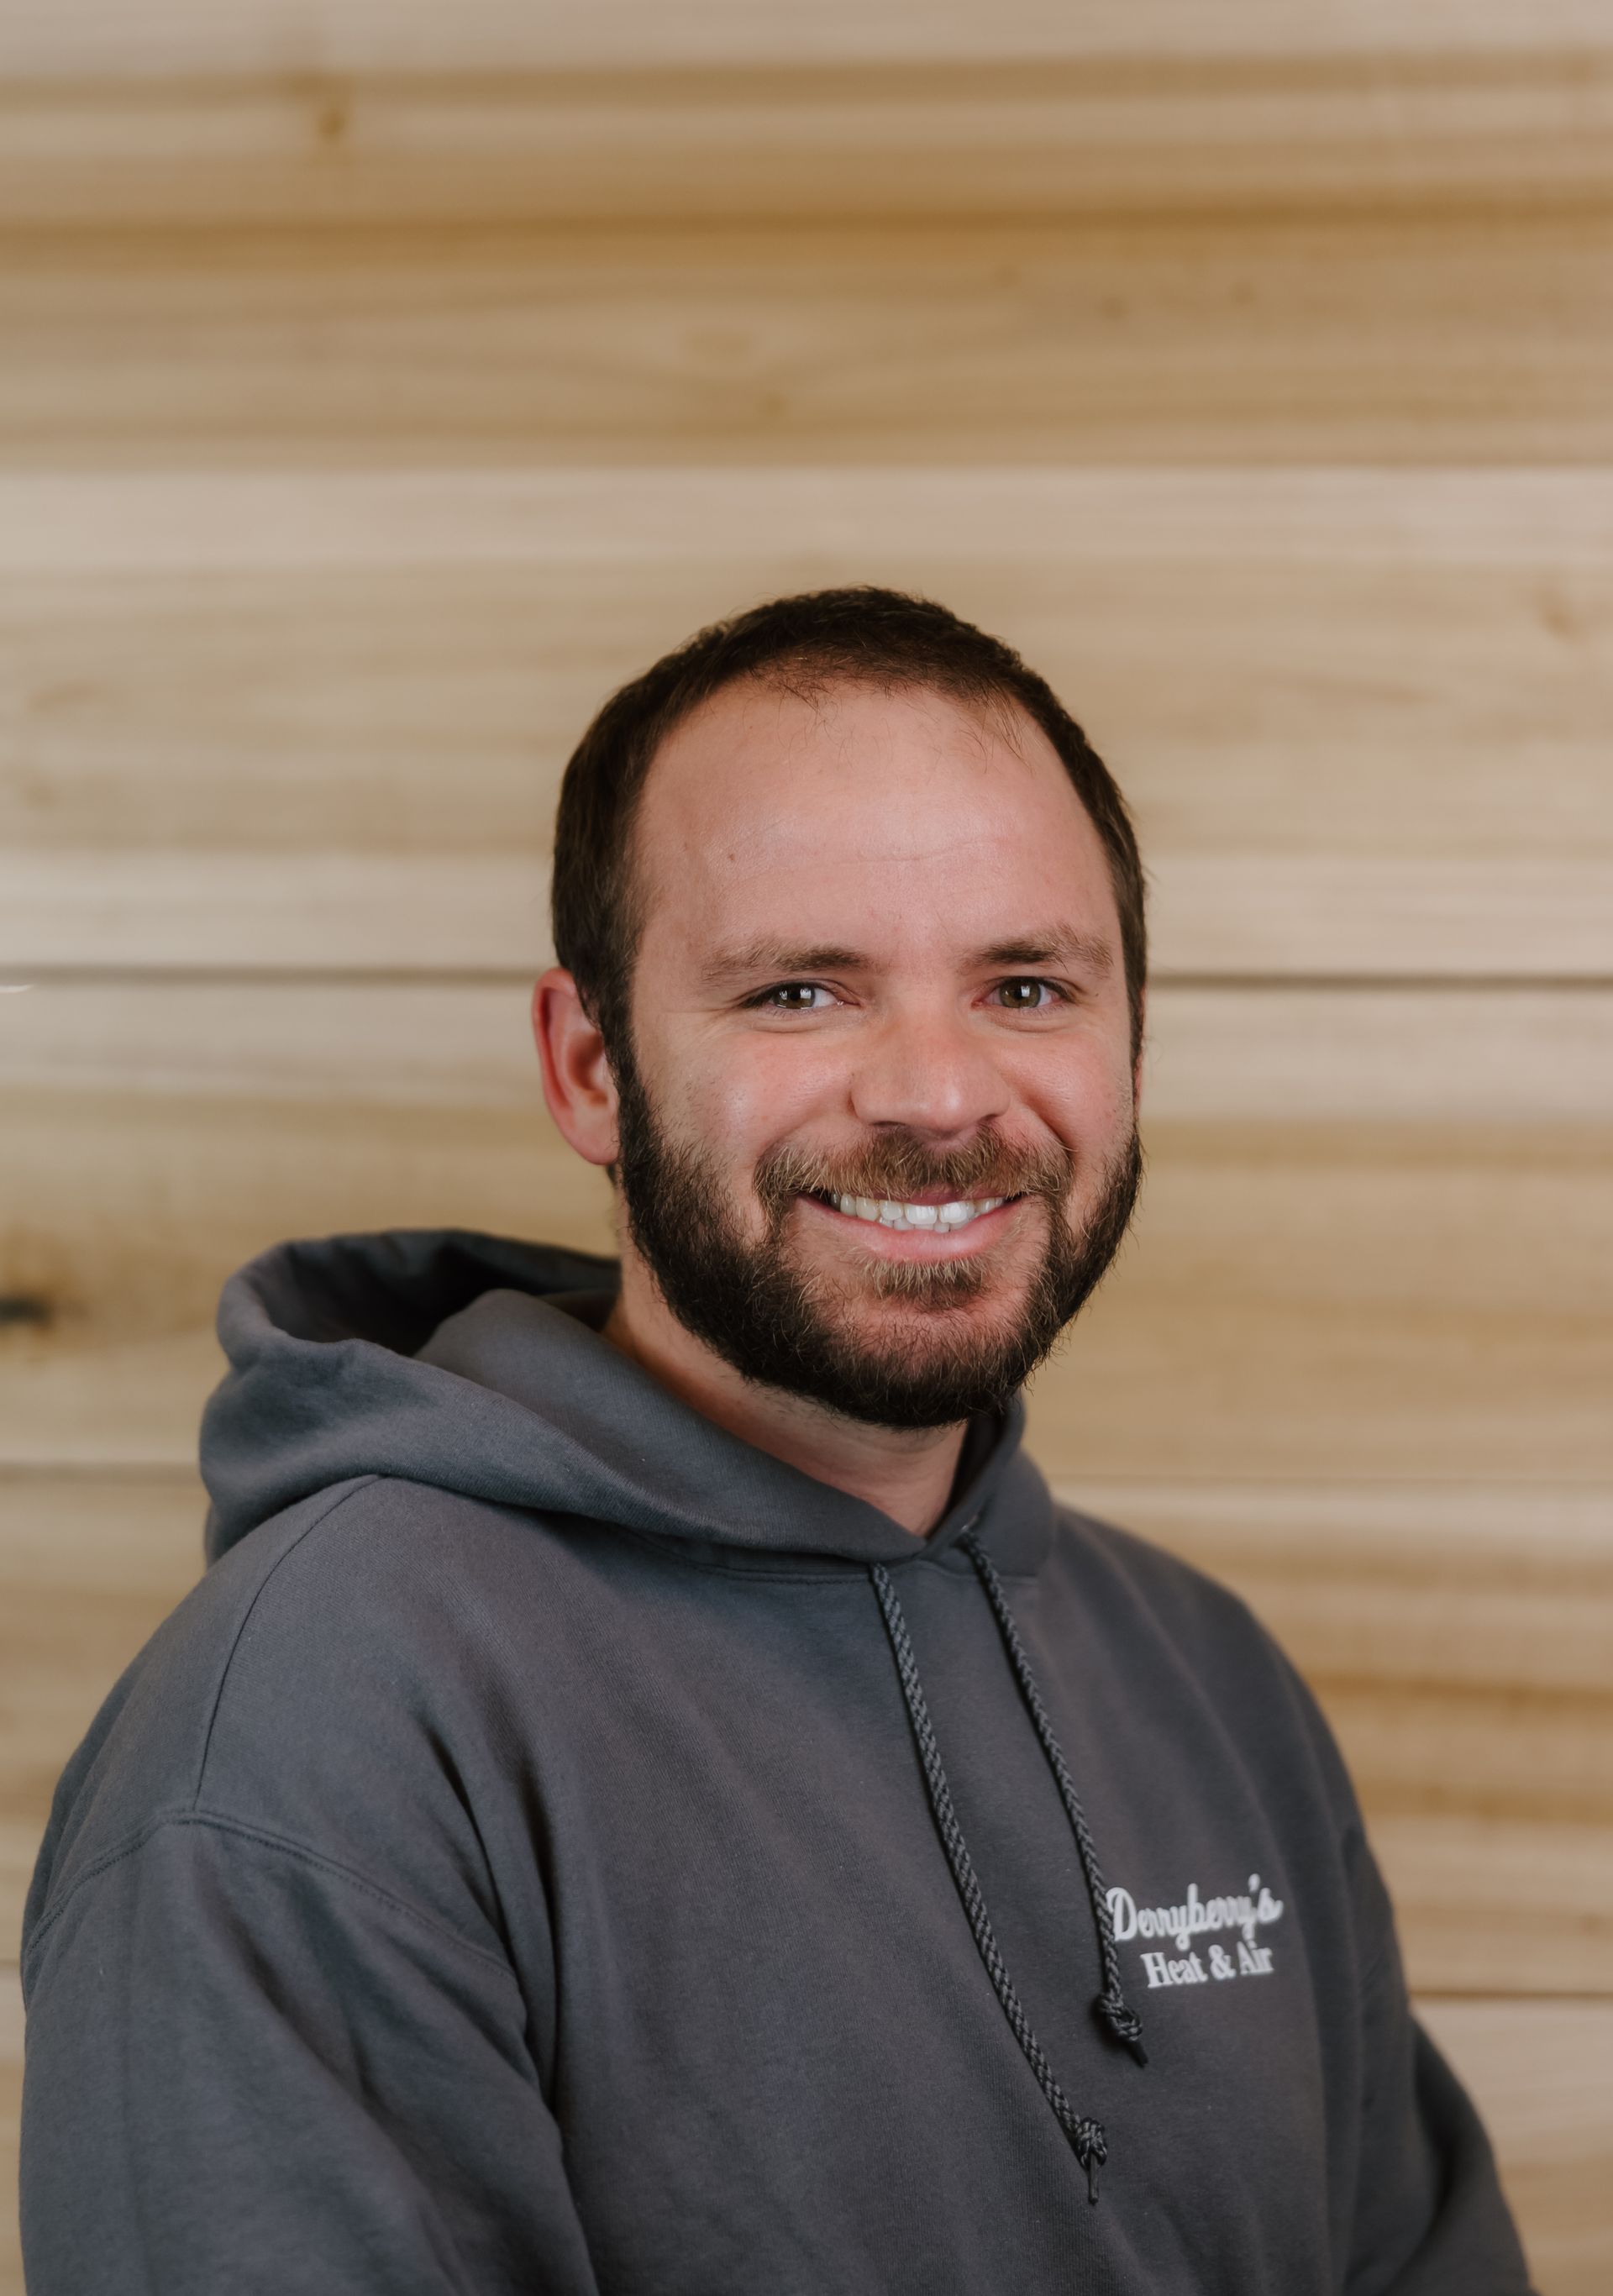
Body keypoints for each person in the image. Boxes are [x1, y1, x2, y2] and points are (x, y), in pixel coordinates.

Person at [20, 589, 1531, 2293]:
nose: (941, 1094)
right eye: (803, 989)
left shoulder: (1209, 1675)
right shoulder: (319, 1725)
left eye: (1026, 983)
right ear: (590, 1065)